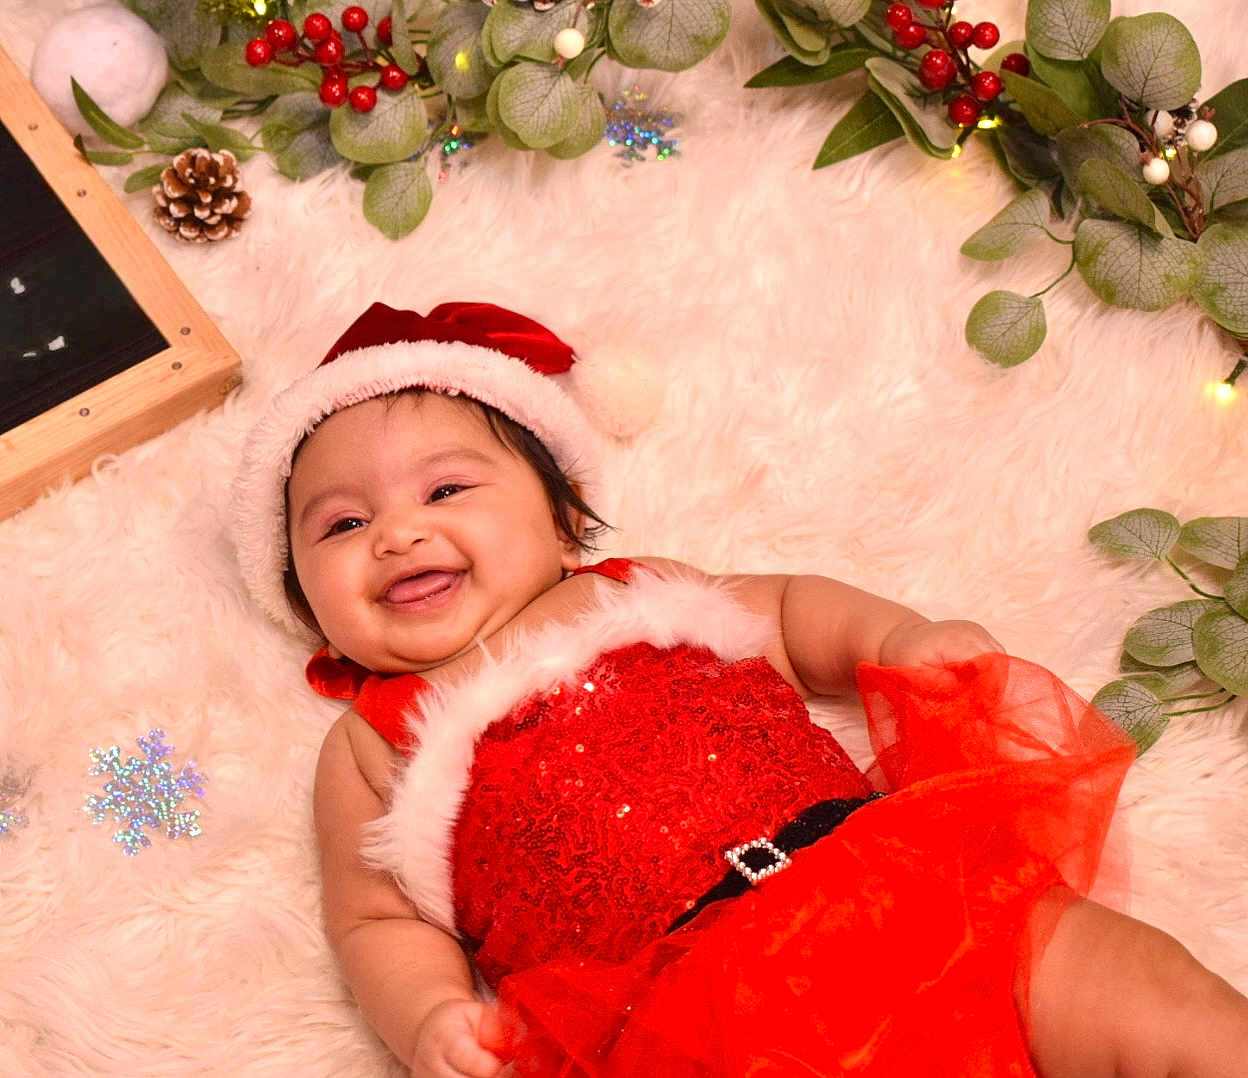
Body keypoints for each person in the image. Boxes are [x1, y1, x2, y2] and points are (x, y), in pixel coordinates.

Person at [231, 301, 1248, 1078]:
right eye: (340, 525)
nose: (397, 533)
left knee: (1153, 994)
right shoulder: (372, 740)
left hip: (896, 876)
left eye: (446, 489)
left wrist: (901, 637)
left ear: (563, 516)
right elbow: (376, 922)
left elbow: (797, 611)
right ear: (301, 590)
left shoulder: (639, 590)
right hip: (694, 1001)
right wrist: (426, 1019)